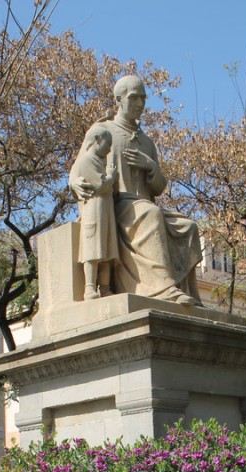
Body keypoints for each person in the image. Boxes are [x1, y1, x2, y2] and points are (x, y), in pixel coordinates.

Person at [69, 76, 202, 305]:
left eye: (143, 98)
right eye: (134, 97)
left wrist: (150, 166)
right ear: (119, 99)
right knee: (152, 215)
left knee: (189, 227)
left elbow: (159, 188)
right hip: (117, 205)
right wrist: (74, 183)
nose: (140, 103)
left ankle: (189, 293)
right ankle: (164, 288)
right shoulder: (102, 130)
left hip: (145, 205)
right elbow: (79, 167)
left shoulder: (147, 142)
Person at [69, 123, 119, 300]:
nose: (109, 149)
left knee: (106, 252)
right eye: (107, 143)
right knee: (93, 250)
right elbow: (101, 185)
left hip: (106, 211)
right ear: (97, 140)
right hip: (94, 210)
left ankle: (104, 287)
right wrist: (111, 176)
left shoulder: (99, 161)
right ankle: (89, 287)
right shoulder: (87, 160)